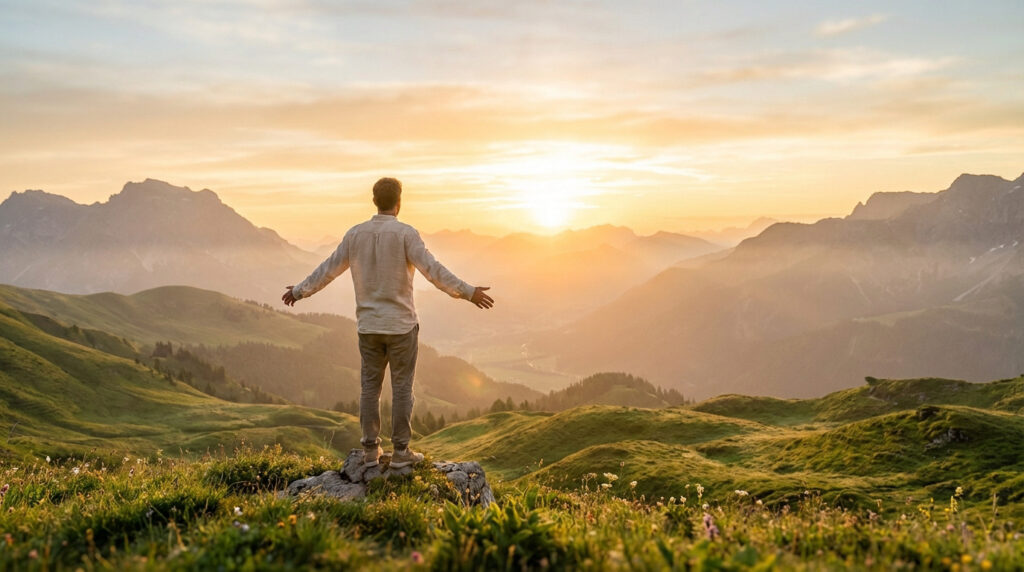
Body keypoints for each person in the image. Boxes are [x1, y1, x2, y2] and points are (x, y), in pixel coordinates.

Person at [282, 177, 494, 468]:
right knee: (402, 388)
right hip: (402, 327)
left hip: (368, 327)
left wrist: (298, 291)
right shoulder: (406, 234)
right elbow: (433, 270)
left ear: (374, 201)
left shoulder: (354, 234)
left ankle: (370, 451)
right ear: (399, 201)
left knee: (370, 388)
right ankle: (402, 452)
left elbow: (328, 269)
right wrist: (468, 292)